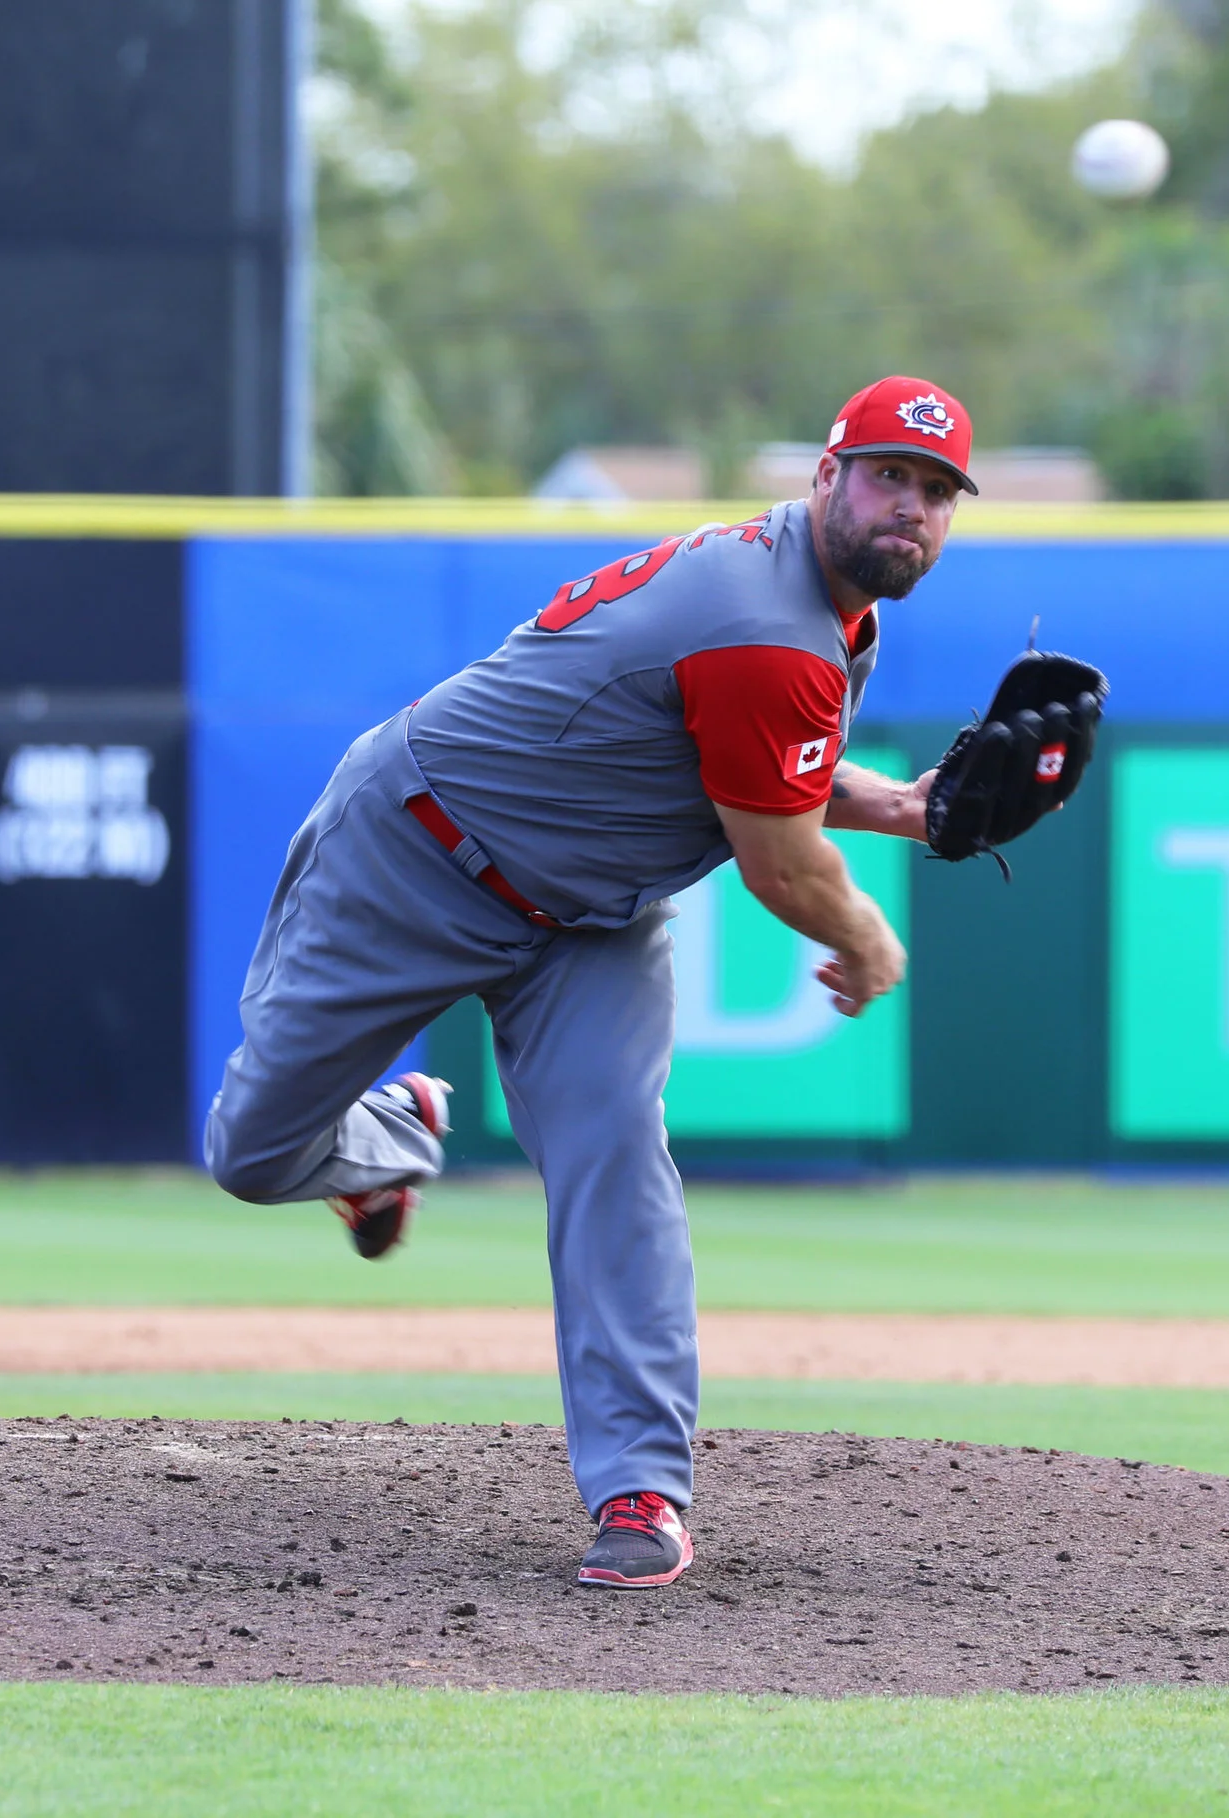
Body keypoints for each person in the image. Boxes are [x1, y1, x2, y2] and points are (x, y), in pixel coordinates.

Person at [205, 377, 976, 1588]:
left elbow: (750, 765)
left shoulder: (821, 616)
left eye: (936, 492)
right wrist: (869, 936)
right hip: (414, 849)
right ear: (824, 477)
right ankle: (393, 1138)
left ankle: (640, 1490)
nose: (911, 508)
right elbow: (780, 866)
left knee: (618, 1153)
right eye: (889, 475)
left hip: (585, 925)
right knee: (250, 1155)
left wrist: (907, 808)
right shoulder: (768, 621)